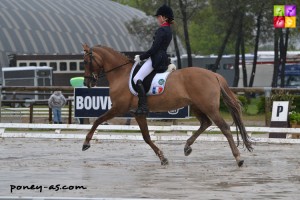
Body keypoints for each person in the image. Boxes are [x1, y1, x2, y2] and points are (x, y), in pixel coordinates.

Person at [133, 4, 174, 115]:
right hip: (164, 58)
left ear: (164, 17)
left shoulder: (161, 30)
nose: (157, 19)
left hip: (156, 59)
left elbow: (154, 49)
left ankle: (144, 106)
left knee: (137, 78)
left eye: (158, 16)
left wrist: (141, 57)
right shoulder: (169, 30)